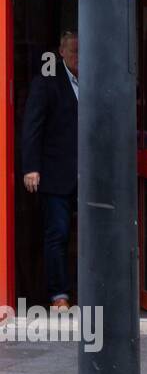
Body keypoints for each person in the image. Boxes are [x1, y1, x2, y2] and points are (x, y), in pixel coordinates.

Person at [21, 31, 79, 309]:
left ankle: (96, 292)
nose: (78, 57)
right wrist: (31, 167)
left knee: (95, 235)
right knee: (57, 233)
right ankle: (59, 295)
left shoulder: (97, 79)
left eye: (82, 51)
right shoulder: (47, 83)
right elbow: (33, 127)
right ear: (62, 52)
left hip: (90, 176)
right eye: (73, 51)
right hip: (56, 175)